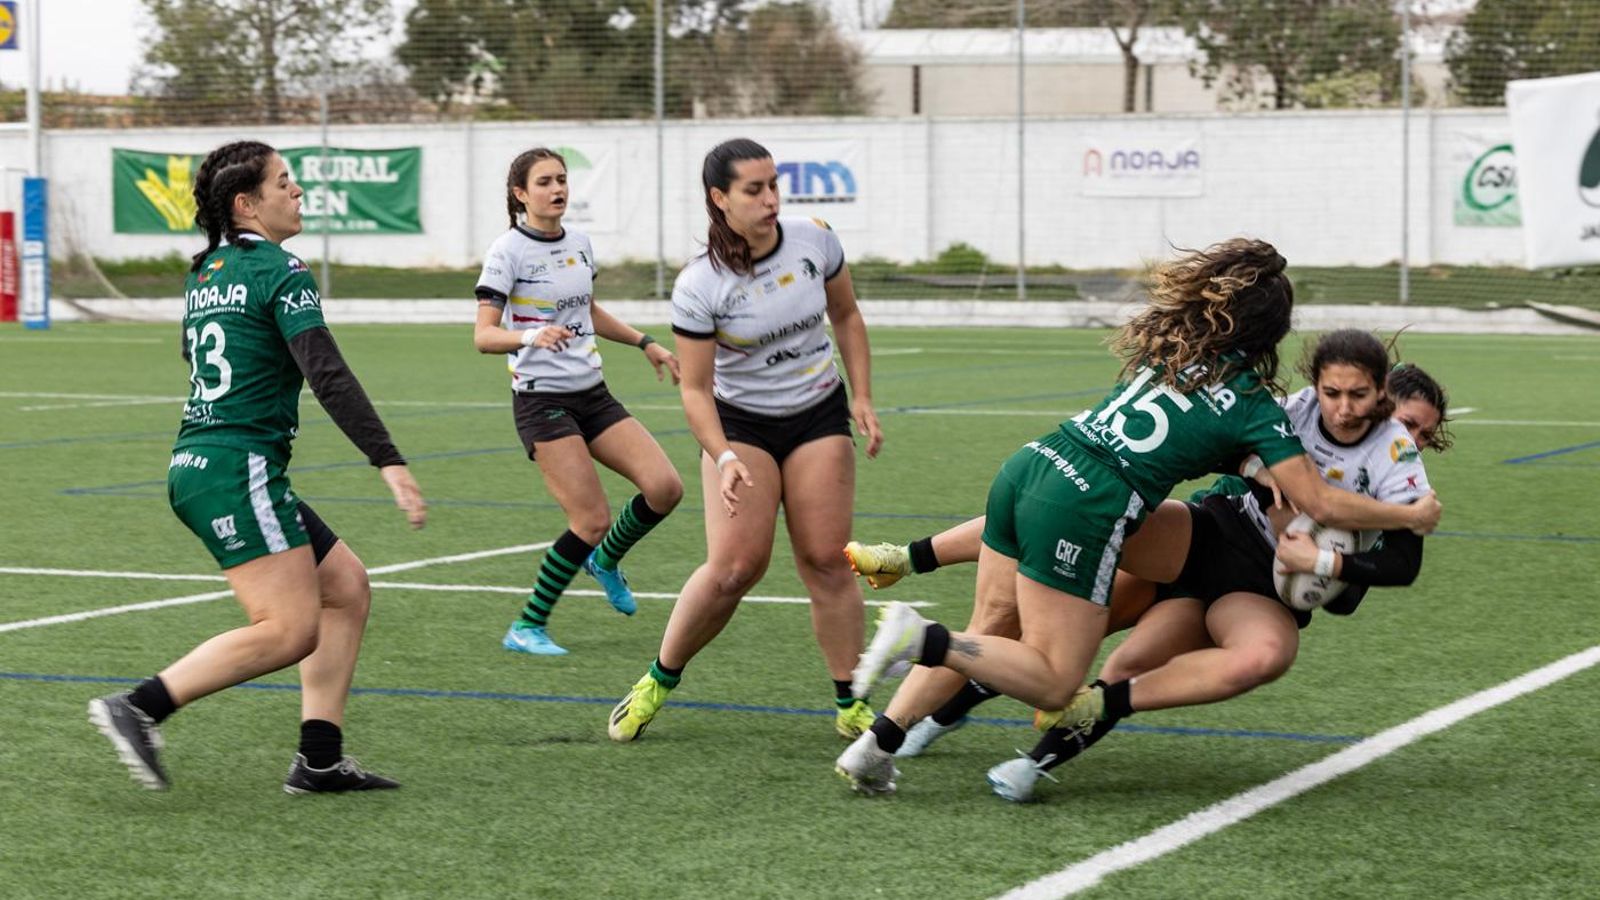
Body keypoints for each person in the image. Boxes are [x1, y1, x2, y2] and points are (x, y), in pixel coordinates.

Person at [835, 241, 1442, 795]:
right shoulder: (1269, 411)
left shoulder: (1175, 354)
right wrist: (1410, 514)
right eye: (1336, 394)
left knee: (996, 626)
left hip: (1033, 463)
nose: (1346, 408)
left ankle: (876, 743)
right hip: (1095, 507)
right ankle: (920, 635)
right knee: (1051, 678)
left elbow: (1348, 571)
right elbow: (1321, 504)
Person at [88, 140, 427, 793]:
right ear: (246, 204)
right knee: (290, 629)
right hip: (236, 468)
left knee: (346, 587)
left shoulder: (206, 272)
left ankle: (319, 759)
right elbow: (325, 372)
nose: (296, 191)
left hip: (203, 463)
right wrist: (388, 459)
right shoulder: (281, 270)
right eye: (283, 182)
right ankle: (140, 706)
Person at [985, 346, 1452, 802]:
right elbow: (1219, 447)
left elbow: (1385, 575)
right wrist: (1258, 473)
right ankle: (939, 695)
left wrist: (1322, 563)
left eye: (1424, 433)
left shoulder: (1397, 462)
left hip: (1258, 591)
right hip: (1208, 536)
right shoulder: (1298, 413)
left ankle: (1032, 763)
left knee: (1153, 664)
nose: (1345, 408)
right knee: (1078, 528)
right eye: (1334, 393)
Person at [607, 138, 885, 743]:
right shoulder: (700, 285)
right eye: (753, 190)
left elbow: (847, 315)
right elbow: (697, 391)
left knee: (826, 560)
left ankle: (851, 701)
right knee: (736, 568)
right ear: (719, 198)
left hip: (816, 413)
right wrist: (724, 455)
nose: (770, 200)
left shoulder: (815, 239)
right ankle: (658, 678)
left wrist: (861, 396)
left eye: (773, 185)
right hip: (741, 425)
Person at [475, 147, 685, 656]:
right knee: (589, 518)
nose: (558, 189)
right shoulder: (508, 251)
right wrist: (529, 337)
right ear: (521, 195)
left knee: (665, 488)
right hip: (542, 401)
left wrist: (644, 342)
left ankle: (606, 560)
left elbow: (587, 310)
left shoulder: (581, 243)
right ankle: (527, 626)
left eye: (562, 179)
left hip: (592, 393)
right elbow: (483, 335)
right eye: (544, 181)